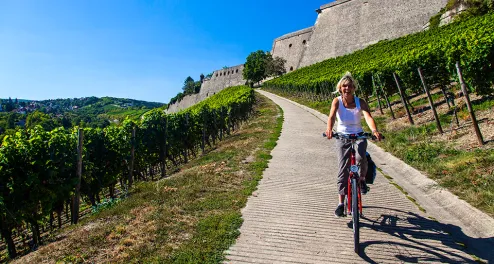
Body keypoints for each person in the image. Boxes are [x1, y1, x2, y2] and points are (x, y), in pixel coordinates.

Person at [325, 72, 383, 217]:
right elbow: (332, 116)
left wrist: (374, 130)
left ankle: (362, 180)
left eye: (350, 86)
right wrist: (329, 129)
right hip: (342, 135)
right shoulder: (336, 101)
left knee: (361, 158)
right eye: (344, 86)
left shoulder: (360, 102)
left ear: (354, 88)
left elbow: (368, 117)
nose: (347, 88)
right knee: (343, 168)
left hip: (358, 135)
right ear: (340, 88)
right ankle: (340, 203)